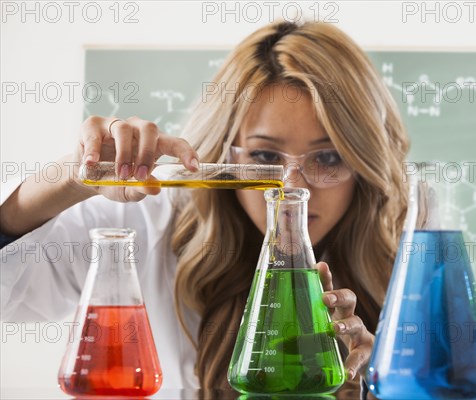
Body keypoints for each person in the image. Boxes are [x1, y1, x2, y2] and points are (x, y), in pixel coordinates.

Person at [0, 20, 409, 394]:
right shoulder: (145, 220)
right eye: (266, 158)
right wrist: (70, 178)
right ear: (224, 153)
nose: (291, 187)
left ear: (364, 163)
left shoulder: (408, 252)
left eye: (329, 158)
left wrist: (379, 388)